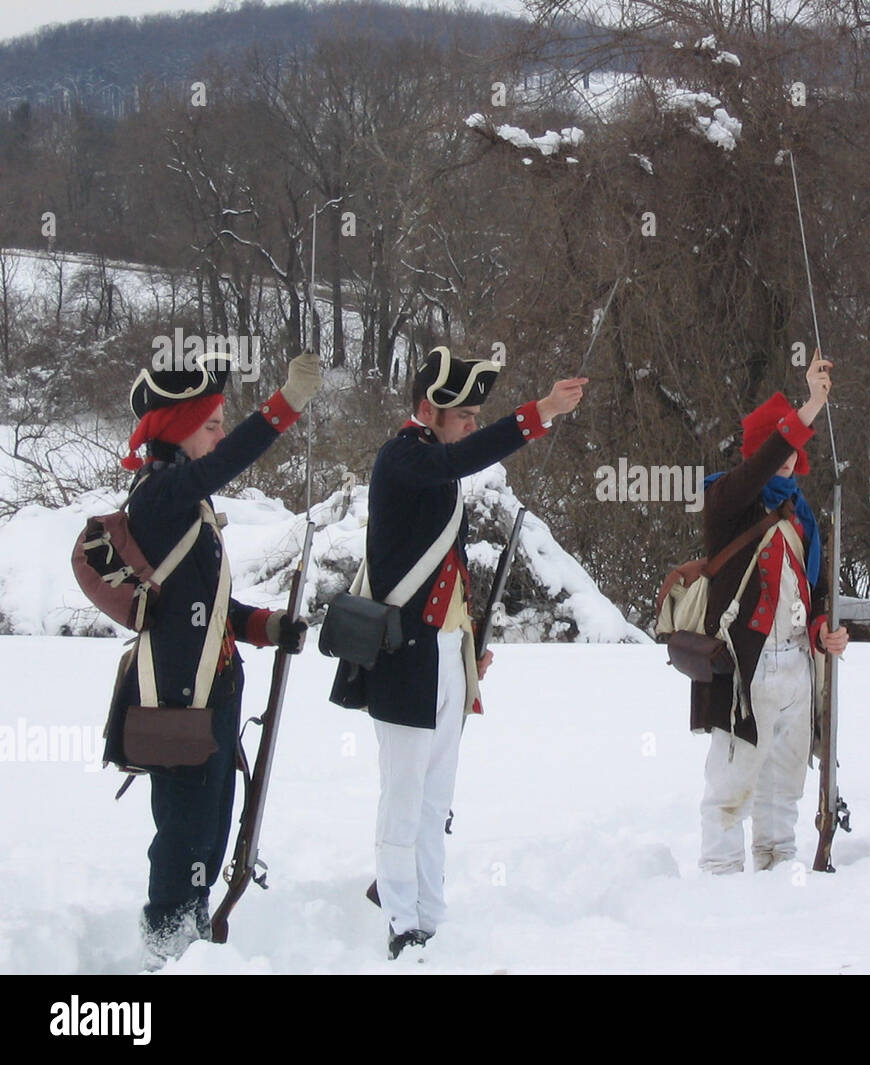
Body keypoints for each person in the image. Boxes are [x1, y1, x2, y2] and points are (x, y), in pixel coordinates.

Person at [364, 346, 586, 959]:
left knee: (435, 801)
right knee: (404, 798)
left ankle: (429, 915)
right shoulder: (405, 456)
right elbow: (463, 456)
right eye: (465, 413)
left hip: (442, 654)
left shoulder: (434, 463)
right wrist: (538, 412)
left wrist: (464, 651)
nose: (470, 423)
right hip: (404, 657)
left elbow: (448, 573)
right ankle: (401, 918)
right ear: (431, 409)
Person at [103, 348, 321, 968]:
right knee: (184, 840)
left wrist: (263, 625)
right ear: (176, 433)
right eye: (211, 424)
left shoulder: (181, 502)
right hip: (180, 705)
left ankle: (192, 937)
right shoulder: (161, 495)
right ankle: (167, 950)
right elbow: (224, 464)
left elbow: (205, 603)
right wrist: (284, 406)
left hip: (213, 698)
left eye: (223, 423)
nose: (221, 435)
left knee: (211, 829)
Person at [693, 356, 849, 874]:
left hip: (799, 666)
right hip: (746, 666)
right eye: (775, 449)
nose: (784, 460)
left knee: (784, 786)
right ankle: (720, 880)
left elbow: (818, 587)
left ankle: (780, 874)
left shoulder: (801, 513)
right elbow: (758, 467)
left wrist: (825, 625)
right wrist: (811, 405)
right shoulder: (726, 499)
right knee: (732, 786)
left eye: (790, 452)